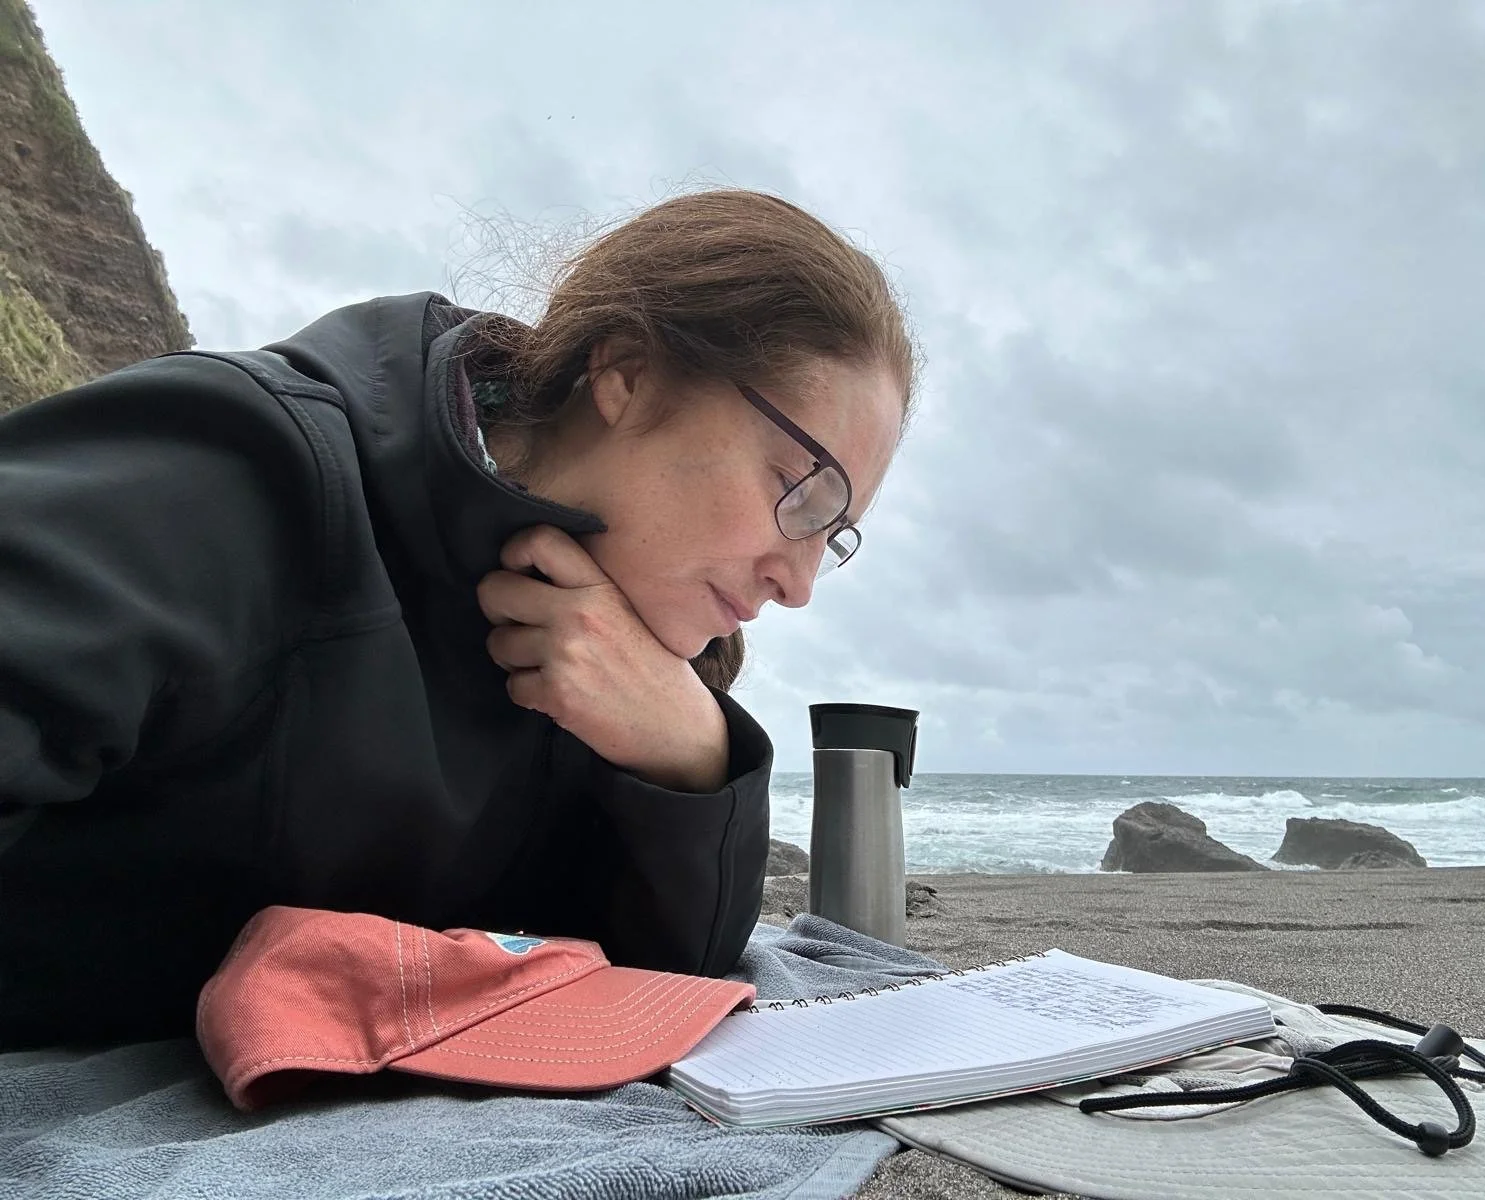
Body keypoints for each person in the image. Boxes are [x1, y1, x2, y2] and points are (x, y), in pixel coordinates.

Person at [0, 189, 915, 1049]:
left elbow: (665, 979)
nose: (798, 585)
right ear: (627, 374)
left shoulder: (628, 641)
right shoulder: (247, 470)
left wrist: (689, 757)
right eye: (802, 493)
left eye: (833, 536)